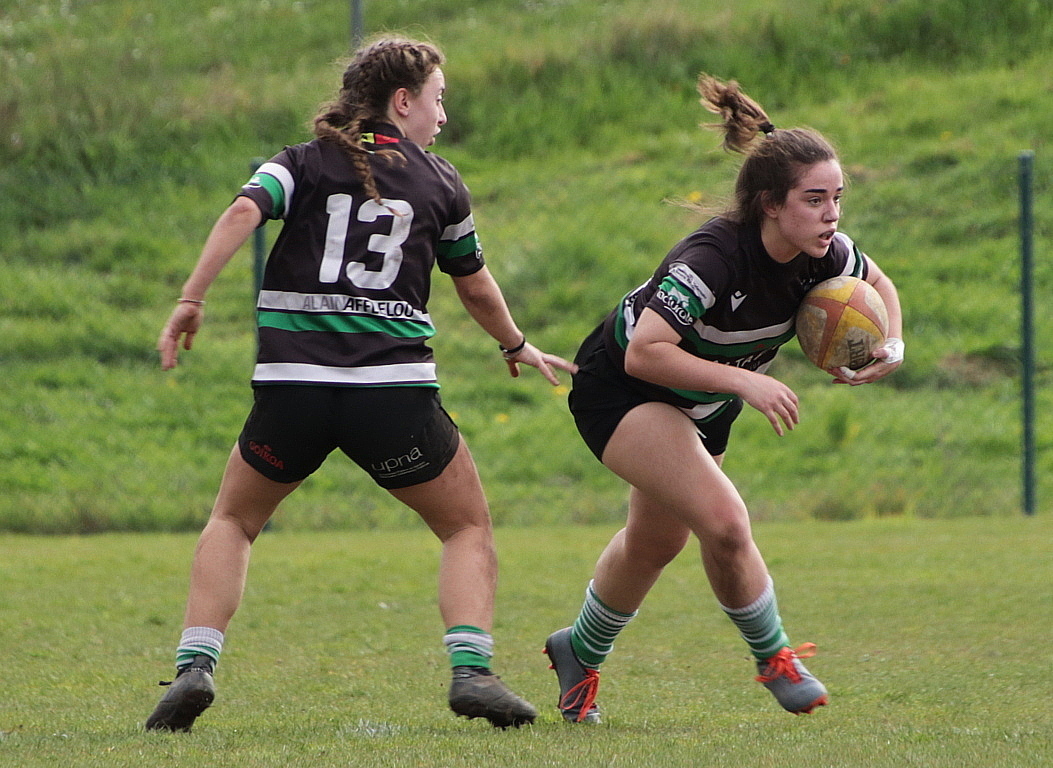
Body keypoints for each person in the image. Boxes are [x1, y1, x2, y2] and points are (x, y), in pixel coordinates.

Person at [146, 36, 575, 732]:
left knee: (233, 520)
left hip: (294, 394)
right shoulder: (441, 181)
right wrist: (515, 344)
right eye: (437, 99)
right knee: (465, 526)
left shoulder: (300, 163)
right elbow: (473, 283)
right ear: (402, 102)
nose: (442, 116)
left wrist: (191, 298)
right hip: (393, 399)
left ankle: (195, 664)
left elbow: (240, 213)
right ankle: (471, 672)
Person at [543, 74, 903, 723]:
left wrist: (890, 347)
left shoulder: (825, 254)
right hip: (623, 387)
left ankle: (578, 651)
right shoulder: (712, 256)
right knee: (726, 523)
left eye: (837, 198)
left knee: (653, 544)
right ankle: (774, 658)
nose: (831, 215)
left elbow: (879, 283)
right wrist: (744, 378)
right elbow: (644, 350)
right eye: (814, 199)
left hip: (699, 401)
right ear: (769, 203)